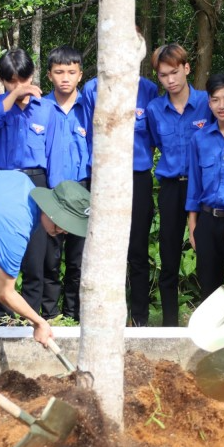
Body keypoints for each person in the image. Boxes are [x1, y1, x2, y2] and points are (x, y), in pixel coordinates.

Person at [0, 173, 91, 345]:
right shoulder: (17, 226)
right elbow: (4, 293)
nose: (66, 231)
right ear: (54, 211)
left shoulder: (22, 183)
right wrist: (39, 323)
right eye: (66, 223)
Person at [0, 49, 57, 318]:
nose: (19, 86)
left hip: (36, 183)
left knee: (35, 258)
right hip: (3, 182)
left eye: (23, 80)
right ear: (2, 80)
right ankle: (4, 319)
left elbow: (53, 155)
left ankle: (31, 318)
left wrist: (54, 201)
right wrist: (13, 96)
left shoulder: (46, 108)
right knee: (5, 256)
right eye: (11, 81)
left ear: (32, 75)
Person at [82, 73, 160, 326]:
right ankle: (104, 318)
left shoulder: (148, 89)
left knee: (137, 250)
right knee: (103, 250)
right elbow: (88, 136)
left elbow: (152, 138)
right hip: (105, 178)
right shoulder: (92, 88)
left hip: (137, 176)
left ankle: (139, 318)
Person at [146, 43, 213, 326]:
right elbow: (156, 143)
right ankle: (170, 325)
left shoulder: (207, 102)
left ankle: (211, 321)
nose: (170, 80)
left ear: (186, 68)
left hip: (204, 188)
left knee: (208, 255)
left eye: (174, 72)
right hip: (172, 187)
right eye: (163, 75)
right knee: (169, 255)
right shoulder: (154, 109)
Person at [185, 72, 224, 300]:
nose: (222, 105)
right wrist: (193, 225)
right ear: (209, 103)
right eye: (215, 100)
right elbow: (194, 184)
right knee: (209, 289)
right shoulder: (199, 139)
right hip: (208, 222)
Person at [44, 45, 91, 321]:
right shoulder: (41, 107)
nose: (65, 78)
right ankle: (50, 315)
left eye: (71, 72)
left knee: (78, 259)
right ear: (49, 75)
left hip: (82, 190)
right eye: (59, 72)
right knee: (50, 258)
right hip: (50, 192)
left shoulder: (89, 108)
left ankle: (74, 316)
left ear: (80, 75)